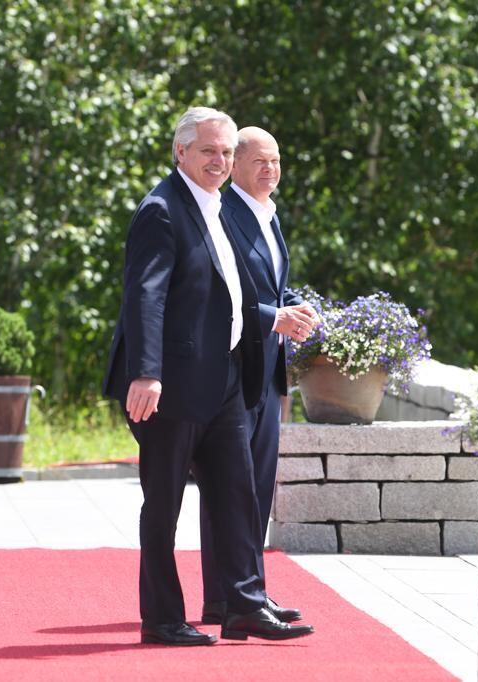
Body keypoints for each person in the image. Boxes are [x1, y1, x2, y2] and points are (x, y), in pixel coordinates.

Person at [103, 107, 314, 646]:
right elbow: (144, 296)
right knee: (165, 503)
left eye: (224, 152)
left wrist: (273, 320)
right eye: (208, 152)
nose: (219, 161)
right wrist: (146, 374)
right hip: (171, 387)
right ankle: (163, 618)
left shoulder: (217, 206)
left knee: (237, 493)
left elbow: (235, 293)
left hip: (223, 380)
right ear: (181, 153)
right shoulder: (162, 210)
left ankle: (241, 605)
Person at [199, 126, 319, 625]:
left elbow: (271, 284)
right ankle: (227, 598)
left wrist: (295, 305)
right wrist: (275, 315)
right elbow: (222, 293)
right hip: (233, 372)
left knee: (257, 486)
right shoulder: (224, 214)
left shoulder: (269, 217)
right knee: (230, 487)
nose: (270, 170)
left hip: (267, 372)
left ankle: (248, 594)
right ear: (236, 165)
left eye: (276, 162)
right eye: (259, 161)